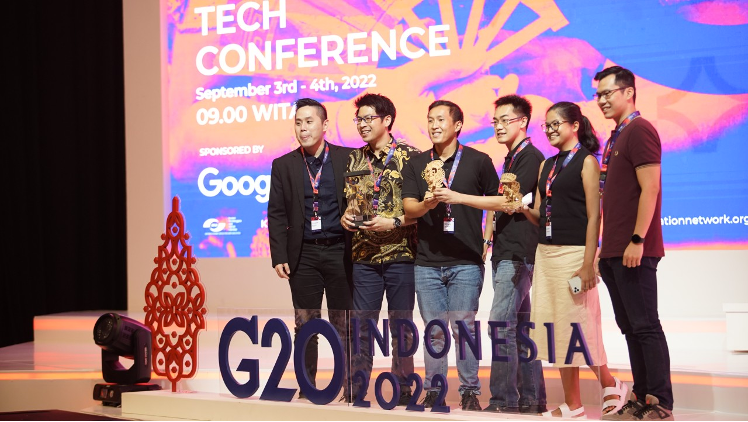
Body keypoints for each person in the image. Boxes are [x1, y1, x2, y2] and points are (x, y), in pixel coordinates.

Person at [434, 95, 547, 414]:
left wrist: (458, 197)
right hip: (507, 251)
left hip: (517, 254)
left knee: (500, 325)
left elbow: (507, 203)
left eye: (505, 120)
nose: (498, 126)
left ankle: (502, 400)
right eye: (495, 121)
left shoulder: (529, 157)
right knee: (520, 328)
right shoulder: (512, 158)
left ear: (523, 122)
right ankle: (531, 399)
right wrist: (487, 240)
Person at [521, 101, 628, 418]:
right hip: (546, 255)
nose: (550, 130)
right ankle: (573, 404)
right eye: (547, 125)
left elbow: (595, 216)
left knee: (579, 326)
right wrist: (521, 207)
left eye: (556, 124)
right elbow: (540, 215)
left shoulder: (587, 162)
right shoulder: (546, 166)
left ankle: (610, 383)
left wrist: (588, 262)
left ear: (575, 125)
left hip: (574, 256)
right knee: (557, 329)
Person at [402, 100, 500, 411]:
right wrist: (428, 204)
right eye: (430, 119)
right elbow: (408, 208)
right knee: (434, 329)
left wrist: (486, 238)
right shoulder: (417, 163)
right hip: (427, 262)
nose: (434, 125)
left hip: (466, 260)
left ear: (457, 125)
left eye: (441, 120)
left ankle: (470, 391)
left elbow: (498, 201)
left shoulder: (478, 160)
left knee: (464, 328)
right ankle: (434, 389)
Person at [594, 66, 674, 421]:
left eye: (607, 93)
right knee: (629, 327)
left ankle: (661, 402)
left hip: (634, 248)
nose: (601, 100)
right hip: (614, 249)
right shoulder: (616, 136)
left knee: (645, 325)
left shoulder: (639, 130)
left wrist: (638, 239)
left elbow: (650, 187)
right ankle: (641, 396)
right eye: (598, 95)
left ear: (628, 92)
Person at [268, 98, 353, 399]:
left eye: (309, 122)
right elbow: (276, 213)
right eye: (298, 123)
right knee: (305, 324)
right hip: (303, 255)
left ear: (325, 125)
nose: (302, 128)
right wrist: (279, 255)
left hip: (341, 252)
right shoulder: (284, 165)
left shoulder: (348, 158)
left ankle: (350, 387)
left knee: (344, 323)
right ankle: (308, 388)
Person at [340, 93, 420, 404]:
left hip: (402, 254)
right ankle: (356, 388)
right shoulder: (353, 159)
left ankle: (403, 388)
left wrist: (394, 222)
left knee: (402, 326)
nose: (361, 124)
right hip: (364, 257)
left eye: (368, 118)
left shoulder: (411, 157)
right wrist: (346, 217)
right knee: (361, 326)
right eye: (358, 119)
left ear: (387, 120)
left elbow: (424, 208)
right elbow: (350, 202)